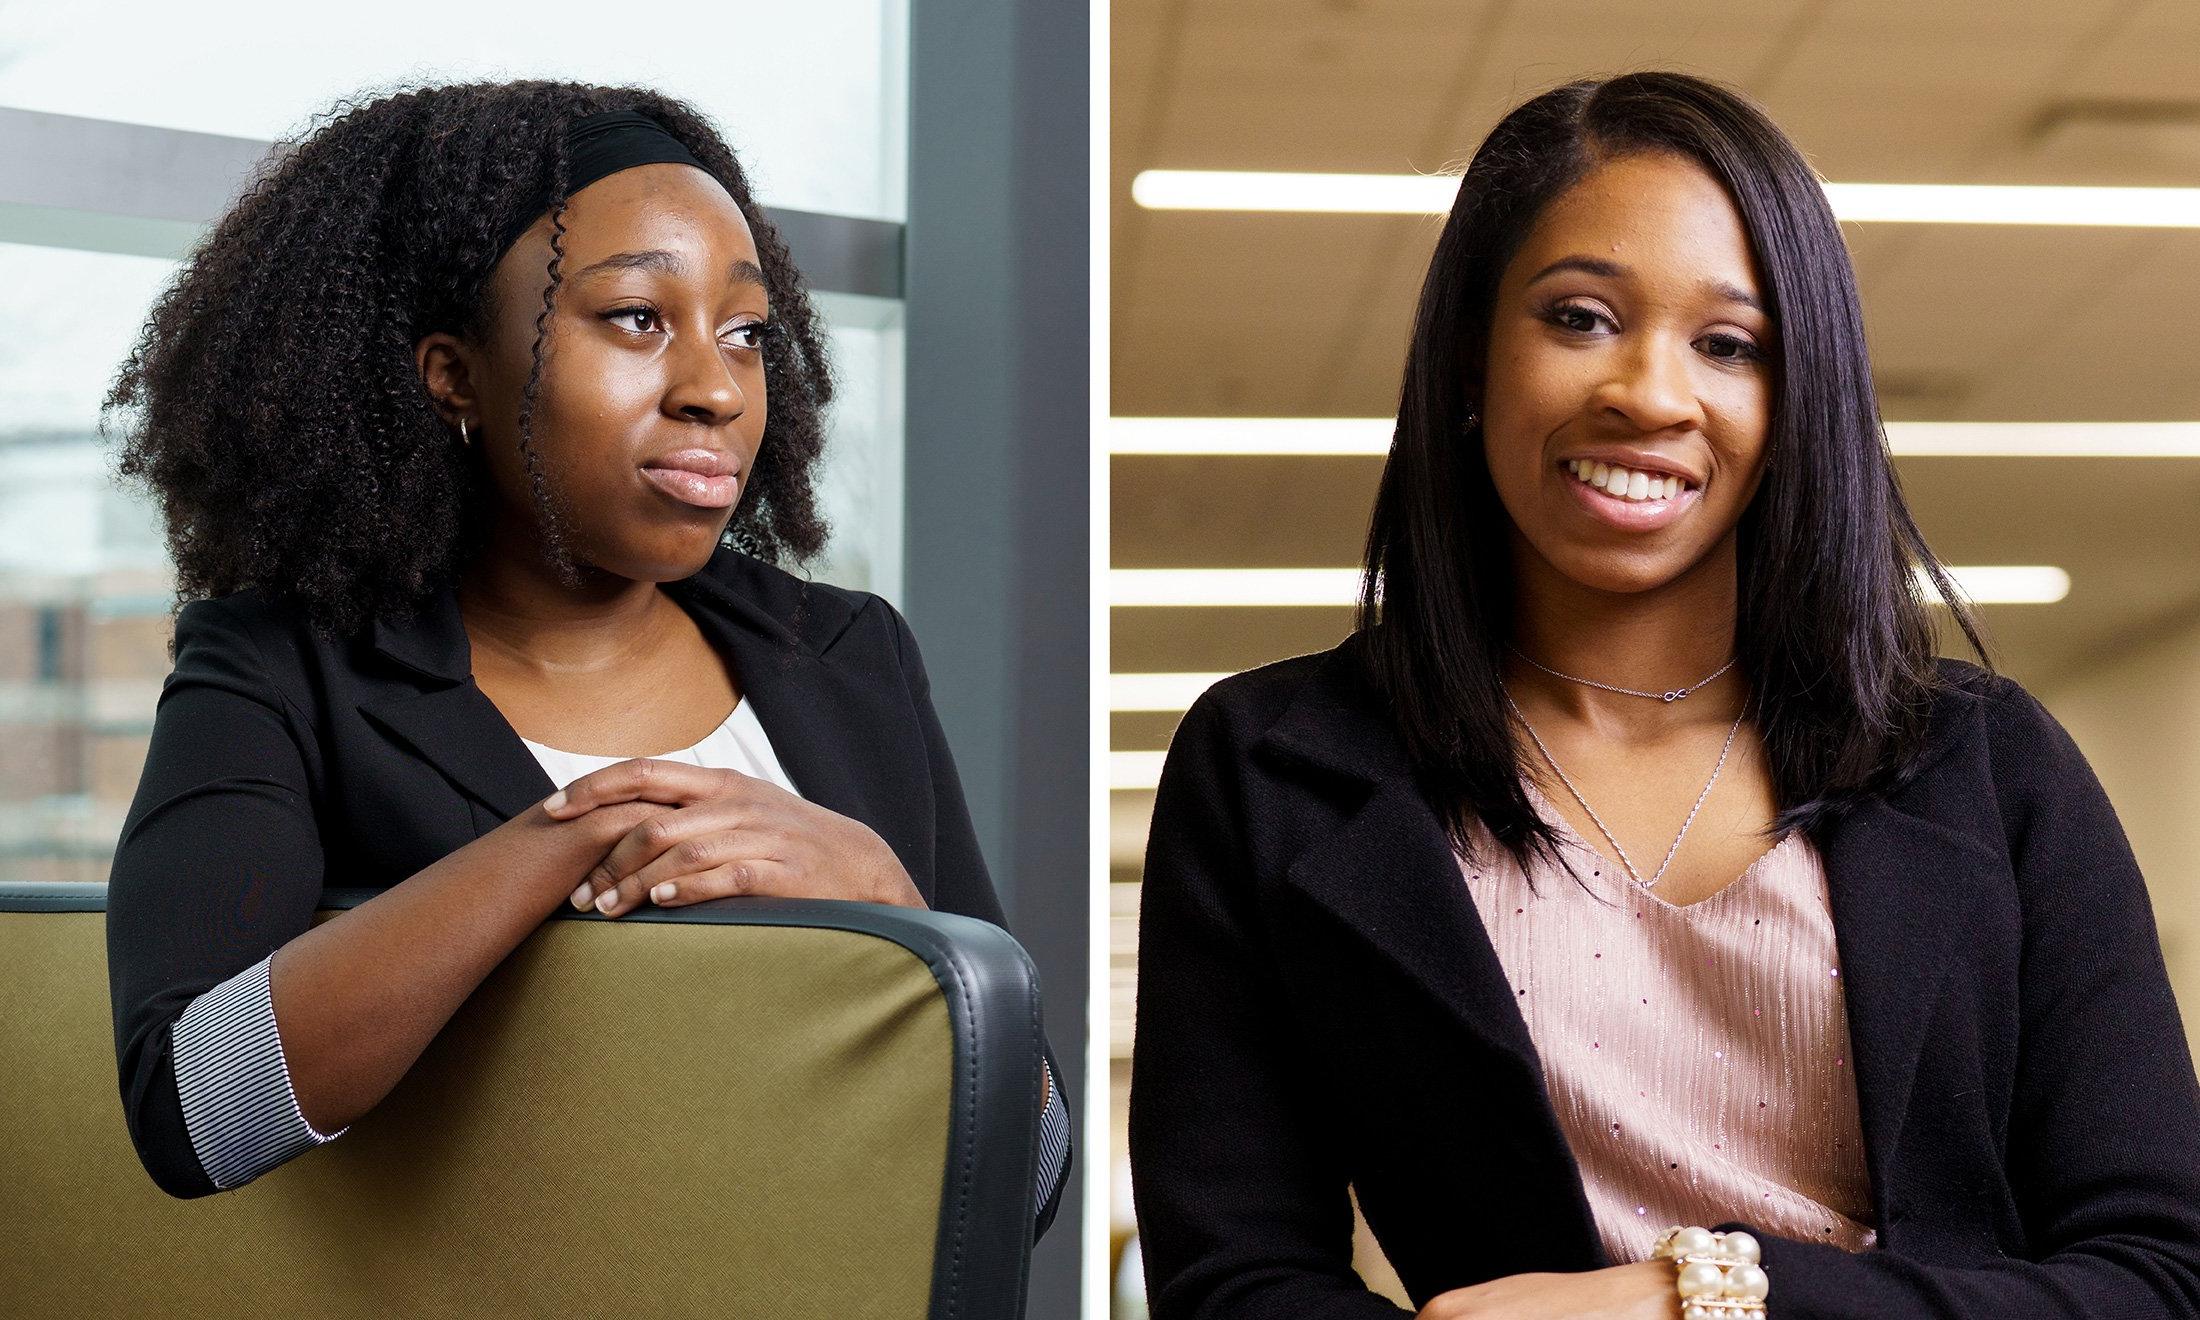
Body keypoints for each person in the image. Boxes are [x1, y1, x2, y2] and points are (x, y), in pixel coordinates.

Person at [1128, 70, 2200, 1318]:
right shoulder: (1275, 767)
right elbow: (1233, 1281)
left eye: (1729, 345)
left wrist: (1706, 1298)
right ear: (1473, 354)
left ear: (1795, 403)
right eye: (1579, 317)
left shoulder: (1981, 762)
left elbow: (2157, 1278)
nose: (1648, 391)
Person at [102, 80, 1070, 1242]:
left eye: (747, 333)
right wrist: (580, 830)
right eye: (636, 319)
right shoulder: (285, 672)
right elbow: (195, 1113)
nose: (716, 388)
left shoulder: (844, 653)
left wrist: (893, 905)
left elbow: (1029, 1184)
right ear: (453, 372)